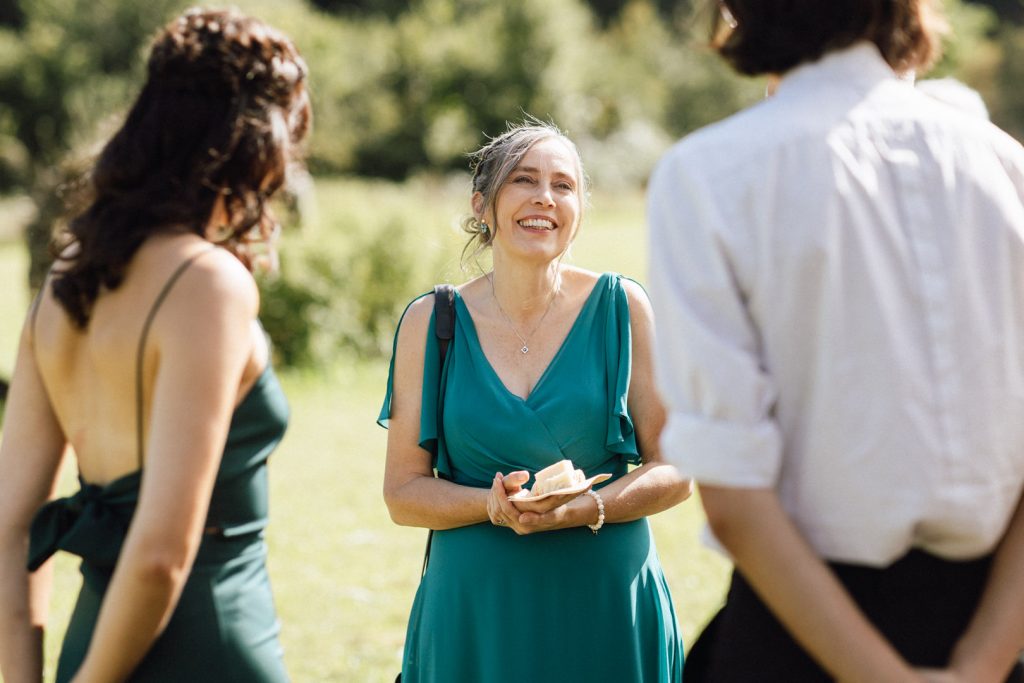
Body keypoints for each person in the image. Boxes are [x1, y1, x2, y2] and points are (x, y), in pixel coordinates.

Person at [647, 1, 1024, 681]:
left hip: (799, 639)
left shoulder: (707, 175)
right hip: (993, 627)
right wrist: (981, 663)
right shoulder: (1004, 165)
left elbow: (734, 499)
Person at [0, 8, 310, 682]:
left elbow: (9, 529)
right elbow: (162, 552)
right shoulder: (209, 285)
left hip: (91, 646)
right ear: (254, 142)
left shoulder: (62, 287)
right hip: (208, 650)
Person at [379, 120, 691, 683]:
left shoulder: (624, 309)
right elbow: (403, 493)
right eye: (524, 180)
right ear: (483, 205)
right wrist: (492, 505)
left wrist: (582, 509)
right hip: (477, 616)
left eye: (564, 185)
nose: (545, 197)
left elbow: (676, 468)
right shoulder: (432, 322)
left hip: (606, 606)